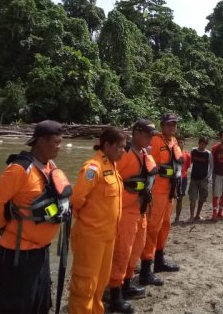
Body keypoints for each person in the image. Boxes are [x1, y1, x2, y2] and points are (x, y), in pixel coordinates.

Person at [0, 120, 71, 314]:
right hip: (18, 254)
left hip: (40, 252)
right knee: (15, 307)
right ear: (41, 141)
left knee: (39, 304)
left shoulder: (49, 167)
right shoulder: (19, 169)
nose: (60, 146)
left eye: (60, 141)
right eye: (56, 142)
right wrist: (2, 226)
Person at [68, 127, 126, 314]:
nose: (123, 151)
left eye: (124, 148)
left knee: (100, 283)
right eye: (120, 147)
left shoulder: (112, 166)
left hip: (107, 236)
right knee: (84, 285)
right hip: (90, 237)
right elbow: (76, 199)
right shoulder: (94, 167)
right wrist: (88, 222)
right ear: (107, 145)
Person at [107, 120, 158, 313]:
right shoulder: (125, 155)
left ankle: (126, 284)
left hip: (141, 210)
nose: (150, 138)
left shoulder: (144, 153)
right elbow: (112, 181)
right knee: (122, 252)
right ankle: (115, 294)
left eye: (152, 135)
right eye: (147, 134)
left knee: (135, 250)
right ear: (136, 133)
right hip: (126, 211)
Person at [139, 113, 183, 286]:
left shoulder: (174, 142)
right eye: (169, 124)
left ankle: (159, 260)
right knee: (152, 228)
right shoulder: (155, 141)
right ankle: (145, 269)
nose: (172, 127)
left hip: (170, 191)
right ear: (162, 125)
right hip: (157, 191)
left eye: (174, 124)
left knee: (165, 225)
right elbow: (147, 164)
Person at [188, 136, 213, 221]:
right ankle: (191, 216)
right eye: (201, 144)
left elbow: (212, 166)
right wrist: (188, 170)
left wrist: (208, 176)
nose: (202, 146)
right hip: (194, 178)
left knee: (202, 198)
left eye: (204, 145)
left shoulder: (208, 153)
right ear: (198, 143)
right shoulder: (193, 151)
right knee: (192, 198)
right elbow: (189, 162)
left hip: (203, 179)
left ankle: (197, 215)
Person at [174, 138, 192, 223]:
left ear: (184, 143)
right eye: (178, 142)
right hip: (173, 177)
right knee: (169, 198)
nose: (179, 144)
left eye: (181, 142)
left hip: (183, 178)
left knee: (180, 198)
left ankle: (177, 217)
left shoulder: (187, 155)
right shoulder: (172, 154)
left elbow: (188, 166)